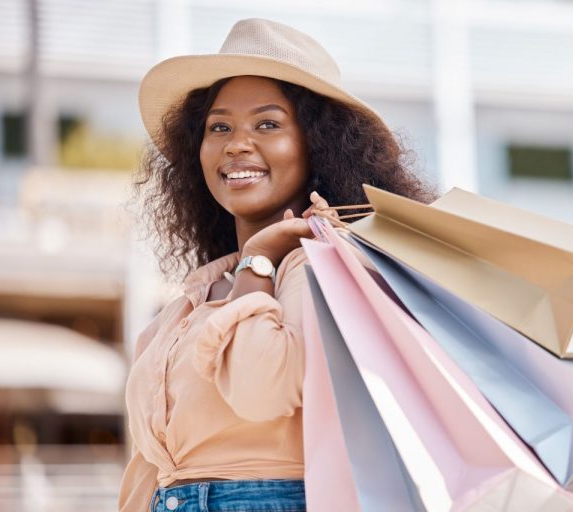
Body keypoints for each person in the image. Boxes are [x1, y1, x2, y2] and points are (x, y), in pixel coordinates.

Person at [119, 18, 434, 512]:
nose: (236, 143)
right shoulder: (187, 304)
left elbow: (259, 392)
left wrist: (261, 258)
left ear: (319, 144)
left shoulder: (324, 273)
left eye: (267, 124)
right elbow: (151, 469)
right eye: (218, 126)